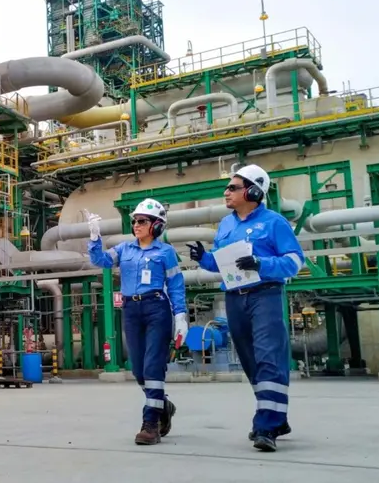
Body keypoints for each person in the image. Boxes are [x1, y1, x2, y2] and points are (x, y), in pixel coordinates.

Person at [186, 164, 305, 453]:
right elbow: (222, 263)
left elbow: (295, 261)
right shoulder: (226, 225)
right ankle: (277, 416)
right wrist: (204, 258)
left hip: (265, 295)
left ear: (253, 192)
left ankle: (266, 426)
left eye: (233, 187)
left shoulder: (274, 222)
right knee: (250, 360)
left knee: (268, 357)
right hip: (234, 298)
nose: (226, 192)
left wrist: (262, 264)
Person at [85, 199, 188, 446]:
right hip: (131, 309)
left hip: (156, 309)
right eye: (135, 221)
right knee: (139, 369)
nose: (136, 225)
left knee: (153, 366)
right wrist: (95, 237)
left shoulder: (166, 252)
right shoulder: (124, 249)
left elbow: (175, 284)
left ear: (157, 225)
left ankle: (151, 423)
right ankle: (163, 405)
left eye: (142, 221)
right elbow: (101, 261)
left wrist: (180, 315)